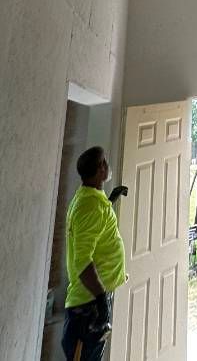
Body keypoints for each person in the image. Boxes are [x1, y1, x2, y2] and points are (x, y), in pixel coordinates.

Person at [62, 147, 128, 361]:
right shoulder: (90, 207)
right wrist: (101, 301)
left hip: (90, 300)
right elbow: (82, 261)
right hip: (87, 306)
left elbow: (93, 228)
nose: (107, 164)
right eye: (105, 161)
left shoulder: (89, 197)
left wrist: (110, 201)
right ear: (101, 169)